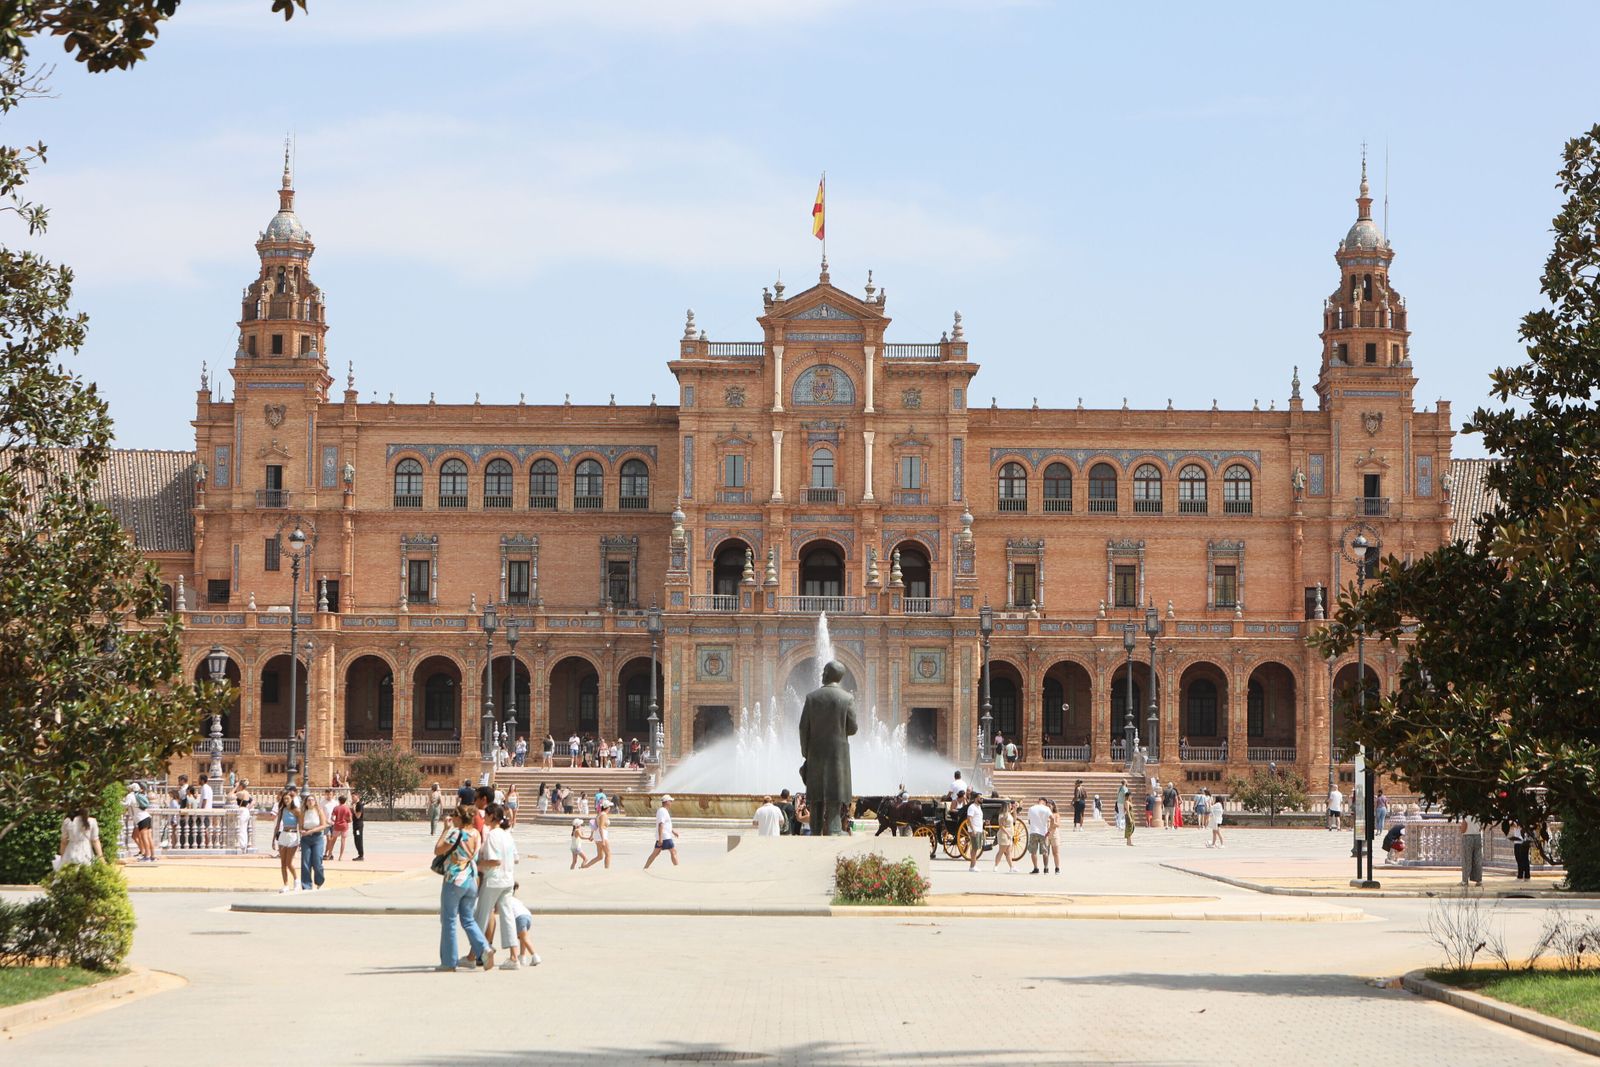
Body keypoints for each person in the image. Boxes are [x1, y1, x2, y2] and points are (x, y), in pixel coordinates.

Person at [797, 661, 857, 835]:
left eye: (824, 671)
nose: (822, 674)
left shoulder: (811, 698)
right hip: (838, 756)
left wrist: (805, 752)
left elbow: (803, 728)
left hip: (815, 754)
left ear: (829, 674)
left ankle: (815, 831)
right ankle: (834, 831)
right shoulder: (847, 698)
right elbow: (852, 729)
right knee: (834, 796)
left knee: (815, 797)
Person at [434, 805, 491, 972]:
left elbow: (438, 850)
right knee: (468, 919)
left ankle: (449, 962)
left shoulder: (455, 833)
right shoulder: (475, 834)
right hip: (471, 878)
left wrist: (445, 830)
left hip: (455, 878)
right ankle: (484, 948)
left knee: (449, 920)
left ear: (459, 818)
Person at [475, 803, 519, 967]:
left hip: (494, 879)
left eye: (486, 815)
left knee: (481, 915)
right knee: (507, 917)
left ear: (492, 816)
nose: (484, 818)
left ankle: (477, 954)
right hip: (508, 879)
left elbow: (495, 860)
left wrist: (480, 863)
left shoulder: (493, 835)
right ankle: (514, 957)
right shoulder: (507, 835)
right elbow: (515, 858)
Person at [504, 885, 541, 967]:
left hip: (519, 917)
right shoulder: (516, 900)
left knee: (524, 938)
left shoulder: (506, 899)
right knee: (522, 937)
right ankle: (522, 956)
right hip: (527, 915)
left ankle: (535, 956)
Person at [271, 790, 300, 892]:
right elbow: (277, 825)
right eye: (284, 799)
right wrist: (273, 839)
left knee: (289, 862)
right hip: (283, 834)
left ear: (292, 799)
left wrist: (300, 839)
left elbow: (300, 825)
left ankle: (296, 880)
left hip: (293, 835)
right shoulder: (282, 809)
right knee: (282, 863)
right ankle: (286, 884)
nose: (286, 800)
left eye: (288, 798)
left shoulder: (296, 810)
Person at [299, 791, 329, 890]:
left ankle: (319, 880)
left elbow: (324, 825)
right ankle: (306, 885)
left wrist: (311, 831)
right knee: (305, 862)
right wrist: (302, 831)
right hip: (306, 839)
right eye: (309, 800)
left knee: (317, 862)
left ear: (315, 802)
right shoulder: (303, 812)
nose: (311, 802)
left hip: (317, 838)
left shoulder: (319, 811)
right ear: (306, 802)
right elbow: (300, 826)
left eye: (312, 800)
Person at [645, 794, 680, 868]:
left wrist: (673, 832)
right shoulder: (662, 811)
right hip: (665, 837)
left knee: (655, 853)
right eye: (670, 801)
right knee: (673, 851)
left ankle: (645, 867)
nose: (671, 803)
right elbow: (661, 824)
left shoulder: (663, 811)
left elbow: (666, 824)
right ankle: (677, 868)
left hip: (664, 836)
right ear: (666, 802)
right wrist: (660, 838)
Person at [124, 782, 155, 861]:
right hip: (147, 816)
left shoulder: (130, 795)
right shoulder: (140, 795)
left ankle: (147, 856)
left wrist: (117, 802)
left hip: (141, 819)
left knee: (144, 837)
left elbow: (126, 804)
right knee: (149, 837)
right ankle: (153, 856)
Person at [1026, 796, 1052, 874]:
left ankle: (1036, 868)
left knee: (1033, 852)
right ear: (1044, 802)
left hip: (1033, 831)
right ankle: (1046, 868)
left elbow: (1029, 821)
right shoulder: (1046, 809)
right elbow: (1052, 818)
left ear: (1039, 801)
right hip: (1043, 832)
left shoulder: (1031, 808)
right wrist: (1049, 829)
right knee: (1045, 851)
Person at [586, 801, 613, 868]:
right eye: (609, 807)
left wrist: (592, 835)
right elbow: (600, 827)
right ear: (607, 807)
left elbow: (594, 826)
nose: (610, 808)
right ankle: (607, 870)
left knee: (600, 856)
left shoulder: (599, 814)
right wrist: (603, 839)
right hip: (602, 835)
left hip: (597, 835)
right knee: (608, 854)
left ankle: (585, 867)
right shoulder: (604, 815)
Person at [1460, 812, 1484, 887]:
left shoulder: (1467, 818)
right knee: (1477, 859)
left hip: (1468, 838)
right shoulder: (1479, 817)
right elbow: (1481, 827)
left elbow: (1463, 829)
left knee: (1467, 859)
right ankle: (1479, 880)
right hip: (1477, 837)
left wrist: (1460, 828)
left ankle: (1465, 880)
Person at [993, 801, 1017, 871]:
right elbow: (1001, 826)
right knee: (1001, 851)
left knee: (1009, 852)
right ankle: (996, 866)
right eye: (1009, 805)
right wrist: (1008, 833)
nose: (1011, 806)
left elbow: (1014, 820)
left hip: (1009, 834)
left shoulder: (1009, 814)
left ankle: (1011, 867)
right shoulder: (1002, 815)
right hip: (1004, 834)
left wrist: (1015, 810)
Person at [965, 792, 985, 871]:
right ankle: (972, 866)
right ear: (975, 798)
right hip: (974, 830)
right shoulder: (972, 807)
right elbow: (969, 819)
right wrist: (973, 830)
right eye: (980, 798)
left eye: (982, 798)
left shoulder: (979, 807)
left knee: (976, 848)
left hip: (978, 829)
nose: (982, 799)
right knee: (974, 848)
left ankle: (973, 865)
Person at [330, 794, 353, 861]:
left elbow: (332, 817)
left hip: (337, 825)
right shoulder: (347, 808)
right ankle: (340, 856)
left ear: (339, 801)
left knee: (333, 841)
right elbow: (350, 819)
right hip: (344, 826)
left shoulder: (336, 808)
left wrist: (335, 821)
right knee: (343, 841)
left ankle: (329, 854)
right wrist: (346, 821)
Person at [1045, 799, 1063, 874]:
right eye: (1047, 806)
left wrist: (1052, 822)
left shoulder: (1056, 814)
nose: (1048, 807)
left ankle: (1057, 868)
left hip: (1054, 834)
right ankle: (1046, 867)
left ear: (1053, 806)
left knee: (1055, 853)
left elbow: (1058, 824)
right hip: (1046, 835)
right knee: (1045, 853)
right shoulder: (1044, 814)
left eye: (1050, 806)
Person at [351, 794, 366, 861]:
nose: (352, 798)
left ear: (357, 796)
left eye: (353, 796)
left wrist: (354, 809)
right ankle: (359, 854)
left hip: (358, 826)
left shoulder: (359, 805)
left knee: (358, 840)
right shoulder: (355, 804)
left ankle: (361, 855)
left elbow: (358, 816)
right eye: (352, 797)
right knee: (356, 840)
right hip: (355, 825)